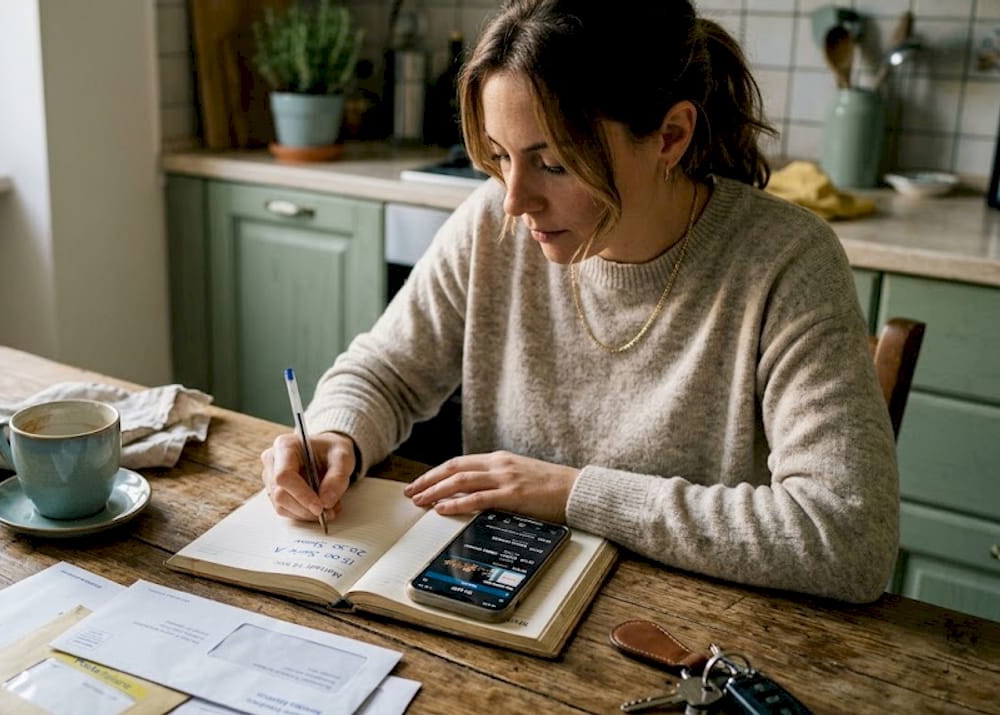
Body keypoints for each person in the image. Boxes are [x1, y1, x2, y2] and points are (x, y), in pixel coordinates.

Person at [260, 0, 898, 603]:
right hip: (498, 600)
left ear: (671, 136)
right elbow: (387, 372)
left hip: (689, 633)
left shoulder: (787, 262)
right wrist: (335, 431)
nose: (515, 201)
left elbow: (847, 536)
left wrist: (572, 493)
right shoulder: (495, 223)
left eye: (554, 165)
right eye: (502, 156)